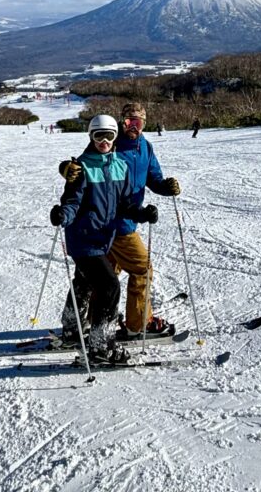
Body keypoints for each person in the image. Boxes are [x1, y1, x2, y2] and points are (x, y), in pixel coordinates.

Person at [59, 101, 180, 341]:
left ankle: (94, 323)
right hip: (114, 225)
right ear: (121, 123)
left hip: (126, 216)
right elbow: (88, 159)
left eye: (138, 122)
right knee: (141, 269)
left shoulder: (145, 147)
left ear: (144, 123)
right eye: (128, 122)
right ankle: (138, 323)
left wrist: (165, 187)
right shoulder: (113, 144)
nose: (132, 127)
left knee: (99, 278)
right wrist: (66, 167)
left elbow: (153, 178)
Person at [51, 114, 158, 364]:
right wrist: (62, 215)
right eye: (98, 136)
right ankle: (101, 346)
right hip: (83, 238)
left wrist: (142, 213)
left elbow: (125, 204)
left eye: (109, 135)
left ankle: (71, 328)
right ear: (91, 136)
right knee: (109, 286)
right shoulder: (82, 167)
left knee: (85, 282)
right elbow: (72, 202)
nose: (104, 141)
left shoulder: (120, 165)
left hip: (104, 238)